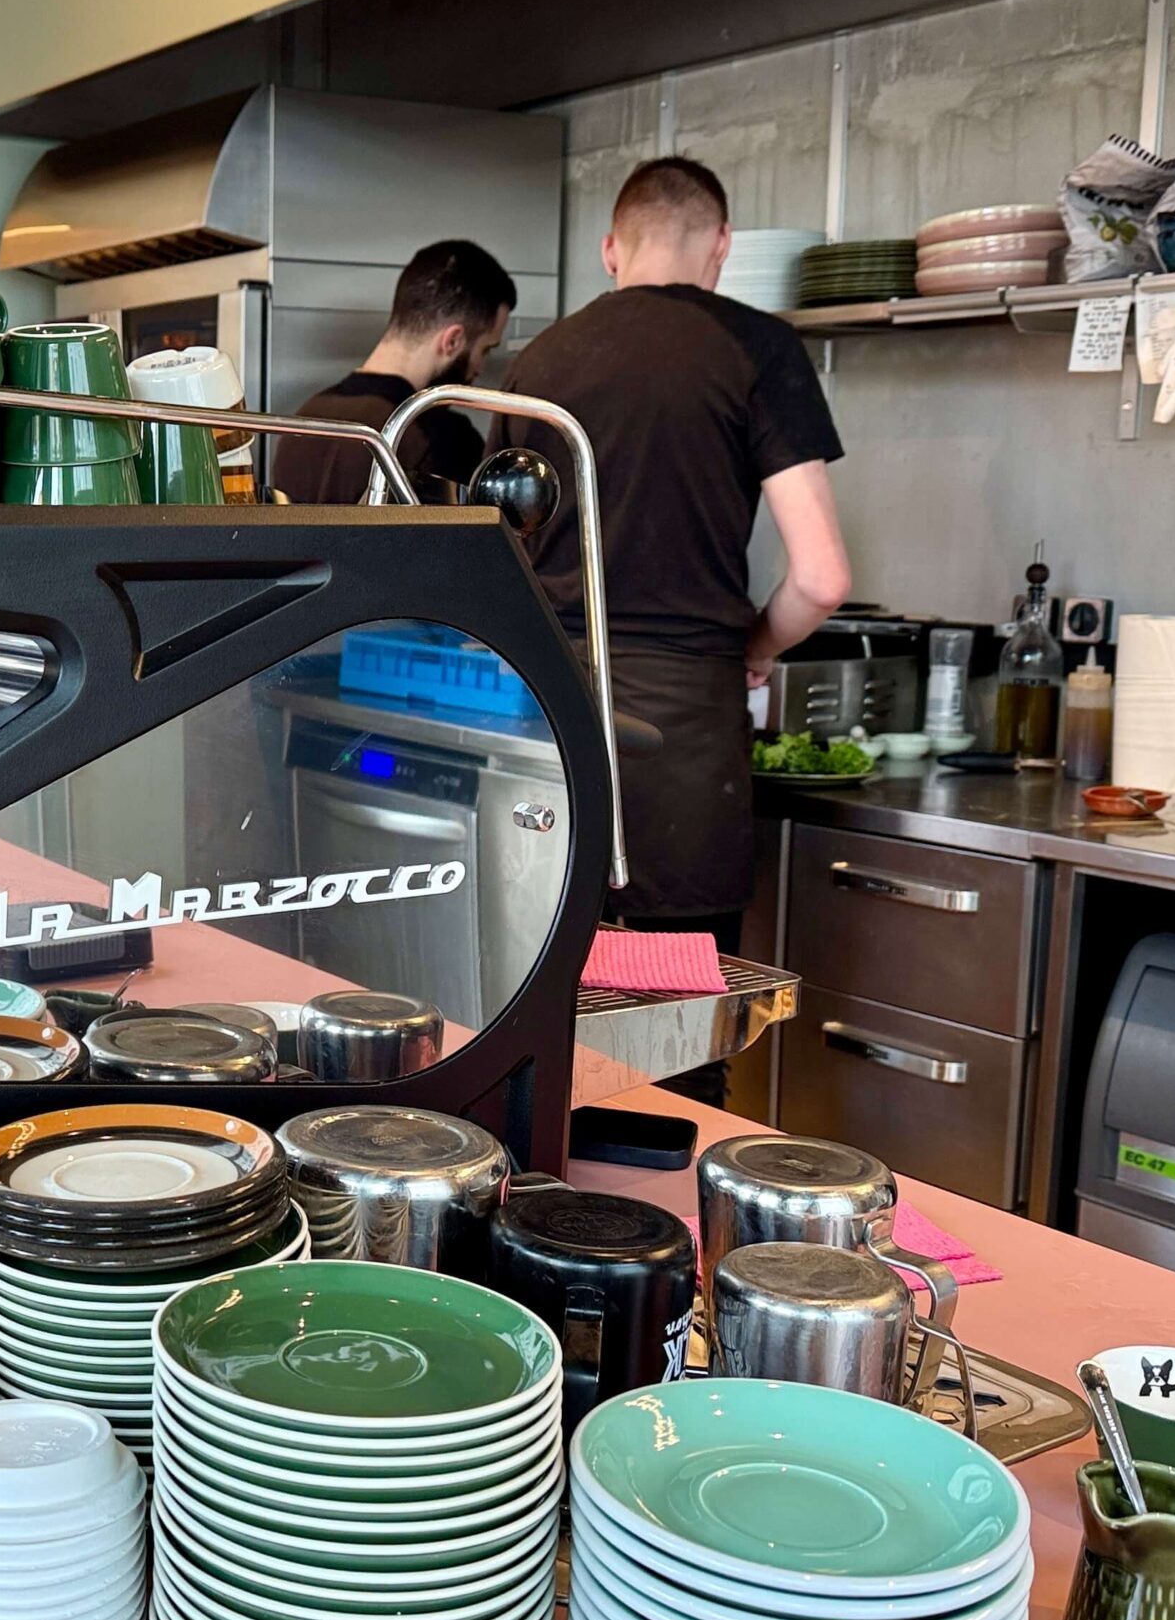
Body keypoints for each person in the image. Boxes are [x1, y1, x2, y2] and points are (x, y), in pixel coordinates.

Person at [499, 157, 850, 1099]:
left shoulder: (537, 363)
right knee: (677, 1065)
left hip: (542, 731)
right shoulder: (756, 349)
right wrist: (755, 648)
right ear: (721, 248)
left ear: (612, 249)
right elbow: (822, 578)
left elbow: (499, 560)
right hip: (683, 748)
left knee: (538, 1035)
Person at [274, 238, 518, 504]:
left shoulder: (305, 419)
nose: (480, 368)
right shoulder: (442, 439)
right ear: (453, 341)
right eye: (484, 349)